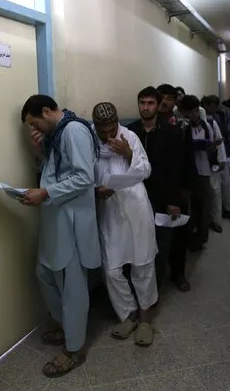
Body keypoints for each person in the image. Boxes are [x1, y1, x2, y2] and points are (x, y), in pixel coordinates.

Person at [20, 94, 101, 377]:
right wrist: (39, 153)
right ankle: (68, 326)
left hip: (72, 222)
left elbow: (83, 177)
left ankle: (74, 349)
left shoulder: (74, 131)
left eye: (34, 123)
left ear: (46, 111)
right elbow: (58, 173)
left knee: (72, 287)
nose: (35, 129)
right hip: (57, 221)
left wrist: (45, 193)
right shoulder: (57, 134)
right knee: (45, 273)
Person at [91, 102, 158, 347]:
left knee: (143, 264)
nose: (108, 135)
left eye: (112, 129)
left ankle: (145, 319)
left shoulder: (129, 136)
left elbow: (146, 169)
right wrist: (96, 191)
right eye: (103, 131)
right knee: (111, 269)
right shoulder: (90, 141)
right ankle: (127, 313)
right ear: (96, 126)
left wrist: (128, 153)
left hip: (135, 208)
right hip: (108, 212)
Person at [126, 87, 185, 291]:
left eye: (150, 103)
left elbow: (176, 169)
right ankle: (138, 290)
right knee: (137, 245)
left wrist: (174, 201)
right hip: (135, 196)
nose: (146, 107)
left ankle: (155, 291)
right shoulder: (130, 132)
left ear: (158, 105)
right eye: (142, 102)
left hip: (161, 197)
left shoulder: (172, 132)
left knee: (161, 244)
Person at [178, 95, 217, 251]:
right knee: (190, 209)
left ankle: (200, 239)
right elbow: (184, 147)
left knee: (203, 207)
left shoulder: (205, 125)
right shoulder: (181, 126)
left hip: (204, 170)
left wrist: (211, 147)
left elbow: (212, 144)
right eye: (191, 112)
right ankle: (188, 239)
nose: (195, 115)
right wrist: (203, 144)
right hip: (188, 173)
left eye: (196, 111)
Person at [204, 95, 230, 225]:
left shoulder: (218, 117)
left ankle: (228, 209)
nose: (215, 108)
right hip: (210, 158)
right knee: (214, 189)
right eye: (213, 105)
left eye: (216, 105)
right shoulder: (204, 119)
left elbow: (223, 136)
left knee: (226, 183)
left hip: (223, 153)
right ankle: (215, 217)